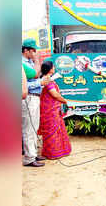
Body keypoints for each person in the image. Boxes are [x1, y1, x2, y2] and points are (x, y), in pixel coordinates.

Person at [22, 38, 50, 167]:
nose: (35, 52)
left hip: (34, 97)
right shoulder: (22, 62)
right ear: (26, 50)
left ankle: (33, 154)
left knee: (34, 127)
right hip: (28, 98)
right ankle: (29, 158)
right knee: (29, 128)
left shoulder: (28, 61)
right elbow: (32, 76)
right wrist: (40, 82)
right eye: (33, 50)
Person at [37, 61, 72, 159]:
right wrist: (65, 101)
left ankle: (57, 151)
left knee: (55, 129)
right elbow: (54, 94)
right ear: (50, 69)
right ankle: (52, 153)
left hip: (51, 109)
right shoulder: (47, 79)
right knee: (52, 130)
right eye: (53, 67)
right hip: (50, 111)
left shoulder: (46, 79)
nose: (54, 68)